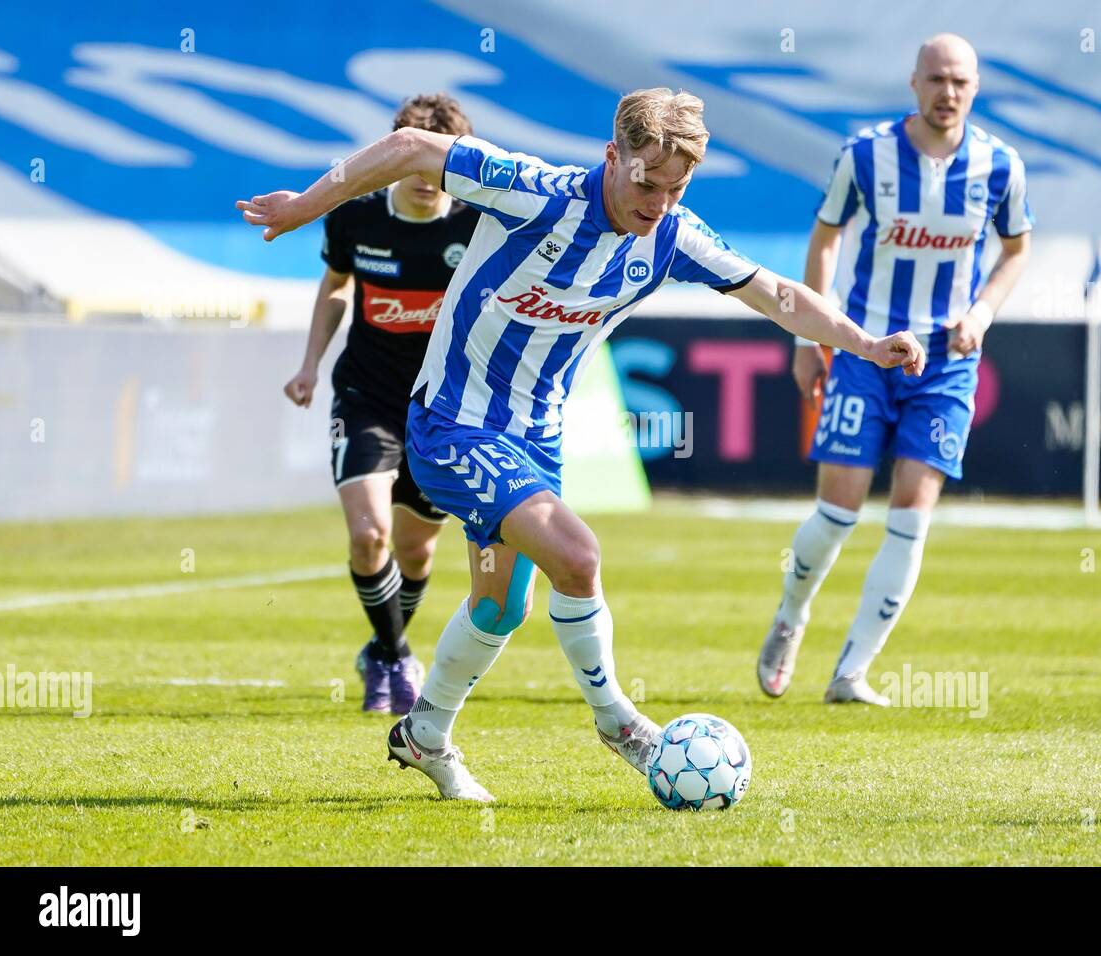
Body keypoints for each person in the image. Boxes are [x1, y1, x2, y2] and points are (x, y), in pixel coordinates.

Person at [239, 87, 925, 802]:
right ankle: (617, 722)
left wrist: (866, 344)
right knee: (579, 556)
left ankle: (425, 733)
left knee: (501, 607)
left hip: (536, 437)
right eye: (646, 182)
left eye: (675, 187)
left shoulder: (671, 236)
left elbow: (778, 294)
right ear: (612, 155)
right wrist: (305, 207)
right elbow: (413, 147)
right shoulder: (535, 193)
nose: (657, 201)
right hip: (452, 425)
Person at [757, 34, 1033, 706]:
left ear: (975, 87)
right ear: (914, 83)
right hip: (867, 349)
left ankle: (851, 672)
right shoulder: (865, 154)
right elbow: (825, 240)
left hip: (946, 362)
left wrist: (981, 314)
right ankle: (791, 615)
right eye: (937, 79)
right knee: (837, 513)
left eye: (961, 82)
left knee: (912, 514)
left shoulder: (1001, 166)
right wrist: (806, 337)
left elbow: (1017, 250)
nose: (949, 93)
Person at [281, 94, 480, 714]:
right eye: (411, 162)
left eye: (438, 166)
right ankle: (394, 658)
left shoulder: (478, 226)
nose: (425, 180)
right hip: (364, 394)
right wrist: (311, 364)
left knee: (418, 550)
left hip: (443, 406)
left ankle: (382, 648)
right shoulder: (354, 218)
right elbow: (337, 285)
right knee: (370, 535)